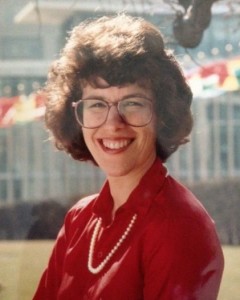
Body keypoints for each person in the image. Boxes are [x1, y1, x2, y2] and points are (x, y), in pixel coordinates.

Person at [33, 14, 224, 300]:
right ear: (76, 116)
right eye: (97, 103)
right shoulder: (80, 219)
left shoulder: (179, 227)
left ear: (162, 114)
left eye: (132, 102)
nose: (113, 124)